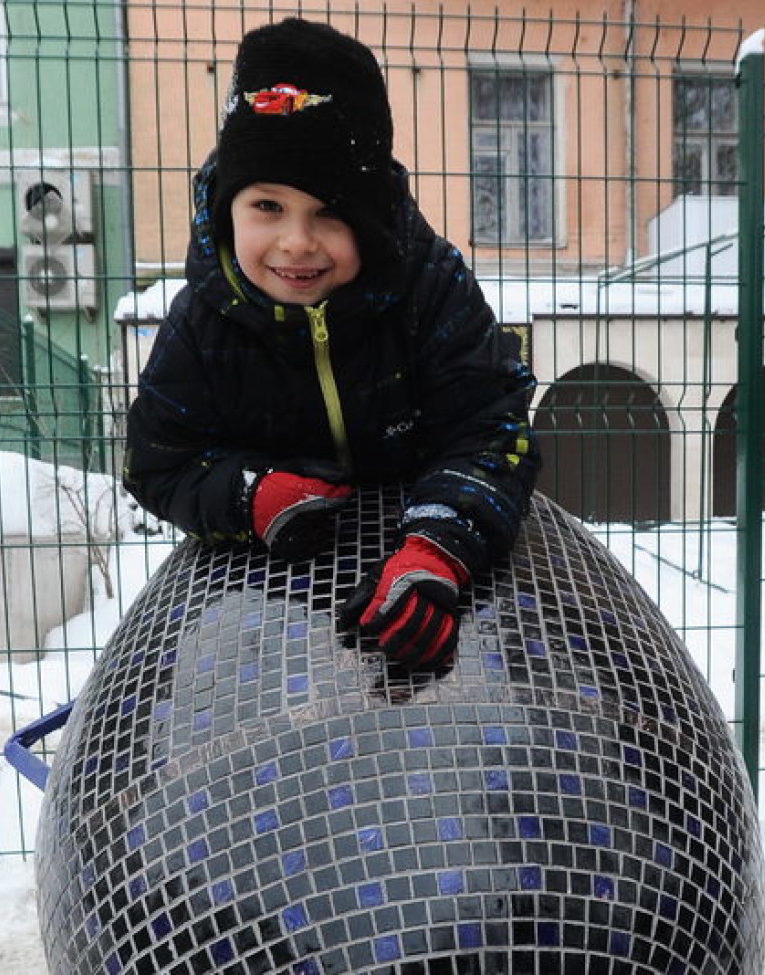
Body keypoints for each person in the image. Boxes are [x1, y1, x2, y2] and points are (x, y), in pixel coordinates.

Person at [123, 17, 540, 671]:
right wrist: (246, 495)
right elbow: (157, 462)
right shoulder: (202, 323)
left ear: (371, 217)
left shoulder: (430, 290)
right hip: (265, 613)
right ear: (227, 206)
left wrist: (438, 541)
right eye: (267, 206)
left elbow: (493, 431)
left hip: (436, 588)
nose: (295, 242)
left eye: (329, 211)